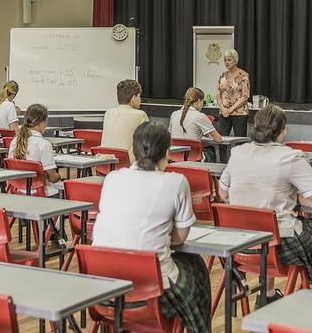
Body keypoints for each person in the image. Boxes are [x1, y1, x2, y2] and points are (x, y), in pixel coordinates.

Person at [93, 122, 210, 332]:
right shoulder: (176, 182)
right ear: (167, 152)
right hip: (151, 290)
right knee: (197, 267)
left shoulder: (112, 178)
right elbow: (181, 237)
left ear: (134, 150)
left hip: (104, 289)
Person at [218, 105, 312, 302]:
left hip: (239, 243)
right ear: (283, 130)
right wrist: (296, 197)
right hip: (279, 245)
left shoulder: (238, 153)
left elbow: (223, 193)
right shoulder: (289, 157)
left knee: (267, 225)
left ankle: (268, 295)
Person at [8, 104, 61, 197]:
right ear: (40, 122)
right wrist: (60, 177)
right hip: (41, 194)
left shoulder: (14, 142)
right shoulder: (44, 145)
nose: (46, 124)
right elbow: (52, 178)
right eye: (46, 121)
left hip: (18, 191)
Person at [101, 79, 149, 162]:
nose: (140, 99)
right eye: (139, 96)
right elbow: (149, 142)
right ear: (134, 98)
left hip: (105, 164)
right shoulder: (140, 115)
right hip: (128, 166)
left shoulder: (108, 113)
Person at [169, 87, 222, 162]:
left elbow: (170, 134)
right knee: (210, 150)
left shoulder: (174, 114)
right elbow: (218, 139)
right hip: (194, 158)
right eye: (202, 102)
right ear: (198, 101)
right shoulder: (200, 116)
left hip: (174, 157)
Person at [216, 49, 250, 137]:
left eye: (229, 60)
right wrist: (222, 108)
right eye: (225, 60)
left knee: (240, 142)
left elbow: (245, 96)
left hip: (239, 113)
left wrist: (232, 109)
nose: (227, 62)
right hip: (224, 113)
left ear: (235, 60)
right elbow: (218, 94)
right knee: (222, 141)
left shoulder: (243, 75)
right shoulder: (222, 75)